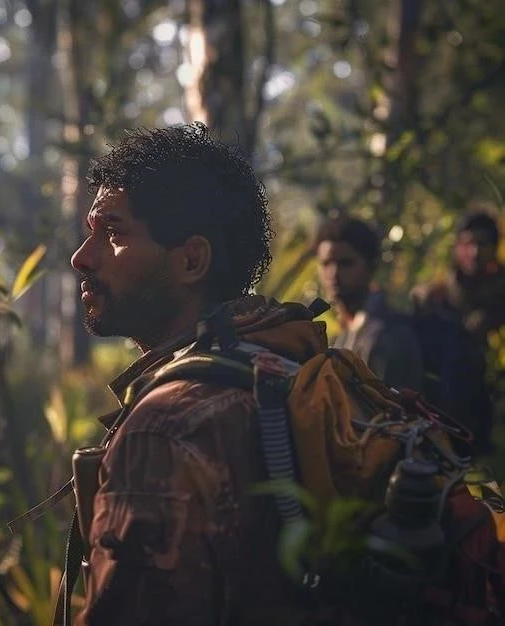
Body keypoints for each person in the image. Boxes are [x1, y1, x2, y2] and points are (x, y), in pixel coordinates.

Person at [69, 123, 318, 626]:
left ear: (191, 260)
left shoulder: (165, 428)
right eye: (89, 232)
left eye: (114, 234)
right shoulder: (284, 366)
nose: (82, 258)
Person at [411, 210, 504, 452]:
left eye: (482, 244)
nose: (474, 253)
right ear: (458, 247)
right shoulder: (441, 291)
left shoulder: (499, 291)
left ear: (494, 248)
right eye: (469, 244)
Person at [315, 216, 424, 391]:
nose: (333, 273)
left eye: (346, 263)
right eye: (326, 263)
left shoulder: (389, 335)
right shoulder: (342, 334)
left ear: (371, 265)